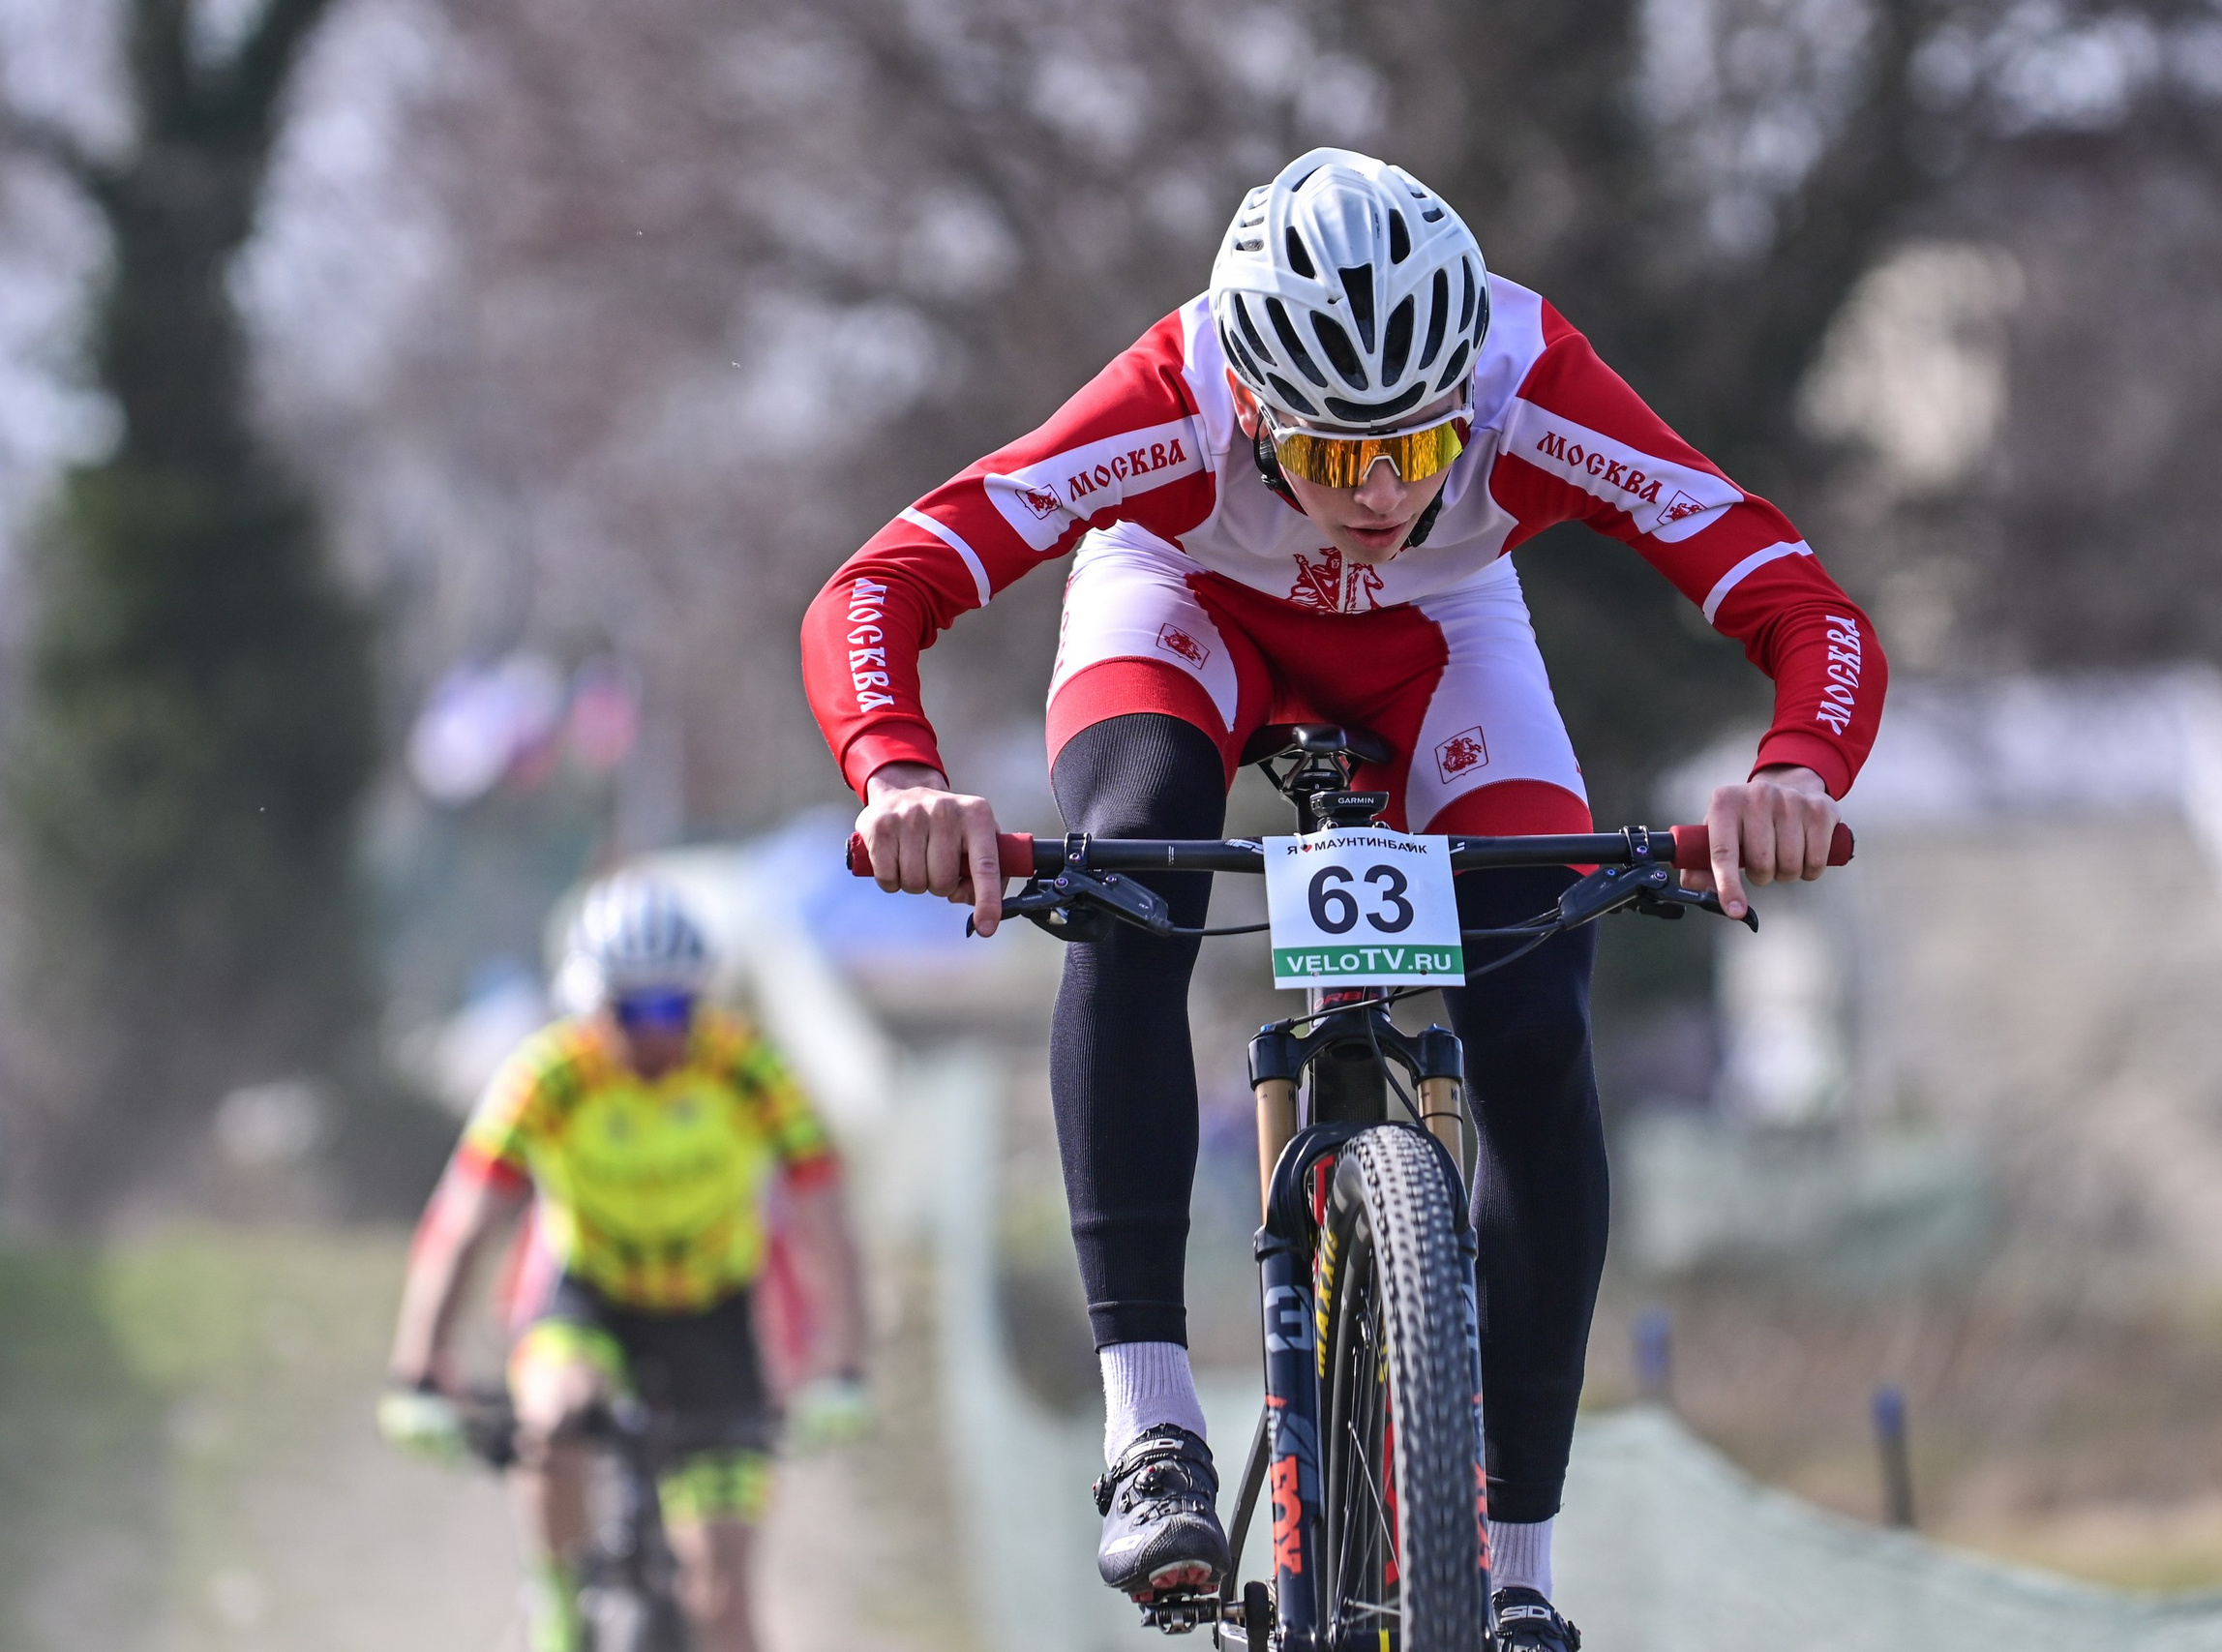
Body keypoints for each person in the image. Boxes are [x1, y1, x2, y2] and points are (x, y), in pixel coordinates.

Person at [805, 148, 1884, 1649]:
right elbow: (878, 588)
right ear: (1249, 404)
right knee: (1133, 868)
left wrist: (1795, 768)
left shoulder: (1532, 380)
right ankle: (1155, 1423)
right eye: (1327, 457)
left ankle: (1516, 1566)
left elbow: (1799, 603)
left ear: (1471, 401)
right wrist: (900, 777)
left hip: (1445, 638)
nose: (1377, 494)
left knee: (1534, 1011)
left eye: (1420, 447)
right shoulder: (1171, 401)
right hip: (1183, 610)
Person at [378, 873, 870, 1652]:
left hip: (712, 1314)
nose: (653, 1032)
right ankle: (557, 1607)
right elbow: (463, 1220)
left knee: (723, 1599)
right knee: (556, 1415)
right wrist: (417, 1367)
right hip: (587, 1297)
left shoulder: (745, 1068)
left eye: (673, 1008)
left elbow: (824, 1210)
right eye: (628, 1010)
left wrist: (845, 1364)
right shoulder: (550, 1074)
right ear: (587, 1003)